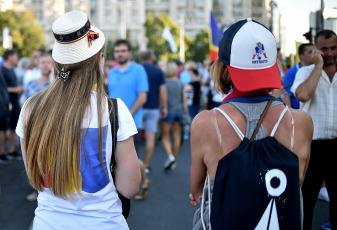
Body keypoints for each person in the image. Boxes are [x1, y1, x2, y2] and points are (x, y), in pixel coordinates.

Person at [15, 11, 141, 229]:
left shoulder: (31, 108)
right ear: (99, 60)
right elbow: (129, 188)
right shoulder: (113, 109)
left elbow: (34, 175)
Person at [189, 18, 313, 229]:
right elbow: (297, 181)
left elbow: (198, 191)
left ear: (223, 68)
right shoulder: (300, 121)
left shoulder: (206, 122)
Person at [291, 29, 337, 230]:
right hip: (312, 146)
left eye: (333, 48)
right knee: (307, 201)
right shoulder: (305, 72)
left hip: (336, 144)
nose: (329, 53)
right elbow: (302, 95)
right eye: (324, 49)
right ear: (316, 50)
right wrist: (317, 66)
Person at [107, 39, 150, 200]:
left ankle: (143, 182)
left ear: (130, 52)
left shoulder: (138, 70)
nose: (120, 53)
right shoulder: (112, 72)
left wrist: (128, 114)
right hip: (112, 121)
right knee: (116, 157)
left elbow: (143, 97)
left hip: (132, 122)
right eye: (117, 51)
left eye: (123, 50)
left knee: (131, 158)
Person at [140, 49, 168, 173]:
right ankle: (146, 165)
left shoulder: (136, 69)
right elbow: (163, 91)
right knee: (150, 138)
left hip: (137, 108)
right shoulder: (158, 71)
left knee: (131, 139)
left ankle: (135, 165)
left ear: (141, 58)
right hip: (153, 108)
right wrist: (164, 107)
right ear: (152, 58)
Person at [161, 61, 189, 170]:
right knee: (177, 136)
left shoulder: (163, 83)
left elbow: (163, 99)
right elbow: (184, 101)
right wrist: (186, 113)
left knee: (165, 137)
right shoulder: (180, 83)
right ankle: (173, 160)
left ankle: (170, 156)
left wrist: (163, 109)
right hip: (179, 112)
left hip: (168, 112)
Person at [0, 49, 24, 161]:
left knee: (13, 127)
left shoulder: (11, 69)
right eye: (15, 55)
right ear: (10, 56)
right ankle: (1, 153)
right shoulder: (2, 71)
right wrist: (16, 89)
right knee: (4, 128)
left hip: (14, 102)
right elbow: (3, 88)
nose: (16, 58)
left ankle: (11, 150)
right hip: (6, 103)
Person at [283, 43, 314, 109]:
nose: (314, 54)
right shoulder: (292, 72)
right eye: (310, 52)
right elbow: (286, 95)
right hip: (299, 114)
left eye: (315, 51)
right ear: (301, 55)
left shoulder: (317, 69)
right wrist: (290, 115)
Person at [0, 68, 10, 163]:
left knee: (4, 129)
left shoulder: (1, 73)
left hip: (3, 106)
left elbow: (4, 90)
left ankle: (2, 153)